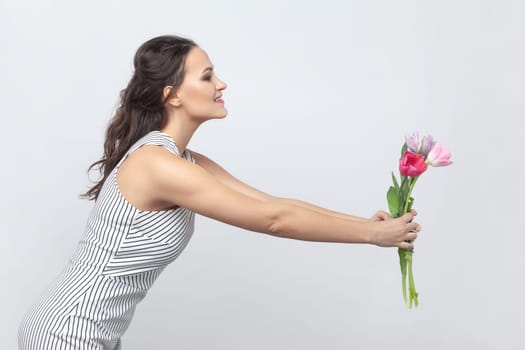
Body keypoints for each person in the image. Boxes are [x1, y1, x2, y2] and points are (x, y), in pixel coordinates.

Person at [18, 34, 420, 350]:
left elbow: (270, 203)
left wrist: (367, 226)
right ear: (172, 95)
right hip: (68, 331)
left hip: (92, 328)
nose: (221, 83)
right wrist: (371, 237)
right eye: (207, 76)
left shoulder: (182, 160)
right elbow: (273, 222)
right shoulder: (157, 166)